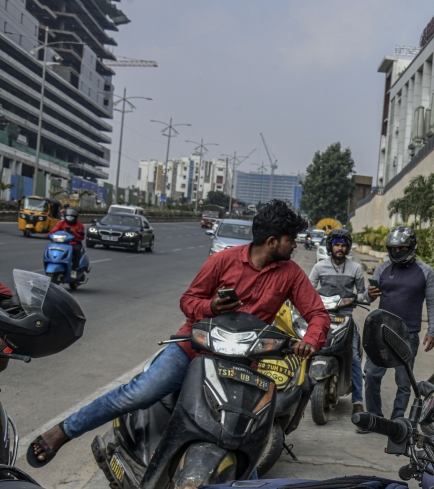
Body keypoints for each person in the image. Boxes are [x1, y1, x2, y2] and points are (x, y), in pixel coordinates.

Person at [27, 200, 330, 466]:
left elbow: (317, 314)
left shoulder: (291, 274)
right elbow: (187, 301)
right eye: (292, 239)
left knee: (253, 426)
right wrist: (212, 307)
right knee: (141, 392)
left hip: (241, 365)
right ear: (273, 241)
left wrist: (309, 340)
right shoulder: (222, 261)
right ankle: (65, 430)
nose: (296, 244)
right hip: (192, 348)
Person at [364, 226, 434, 419]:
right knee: (372, 374)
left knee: (404, 381)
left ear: (412, 247)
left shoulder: (425, 272)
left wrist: (432, 331)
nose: (396, 252)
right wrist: (368, 294)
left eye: (401, 248)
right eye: (393, 249)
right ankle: (374, 416)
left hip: (408, 335)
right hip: (380, 333)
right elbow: (368, 297)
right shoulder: (382, 268)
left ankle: (398, 420)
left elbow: (431, 303)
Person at [309, 227, 381, 416]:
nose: (340, 248)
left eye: (343, 245)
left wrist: (370, 295)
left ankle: (358, 401)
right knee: (306, 349)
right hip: (322, 317)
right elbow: (307, 292)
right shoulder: (319, 267)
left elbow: (363, 295)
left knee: (355, 358)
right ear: (330, 247)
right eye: (336, 245)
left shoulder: (355, 268)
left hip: (346, 317)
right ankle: (299, 393)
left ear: (347, 248)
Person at [53, 207, 85, 272]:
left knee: (76, 250)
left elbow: (81, 237)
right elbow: (54, 231)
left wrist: (73, 233)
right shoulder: (61, 223)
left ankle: (75, 269)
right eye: (68, 217)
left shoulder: (79, 225)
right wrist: (48, 235)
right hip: (62, 242)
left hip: (74, 243)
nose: (69, 219)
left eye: (71, 217)